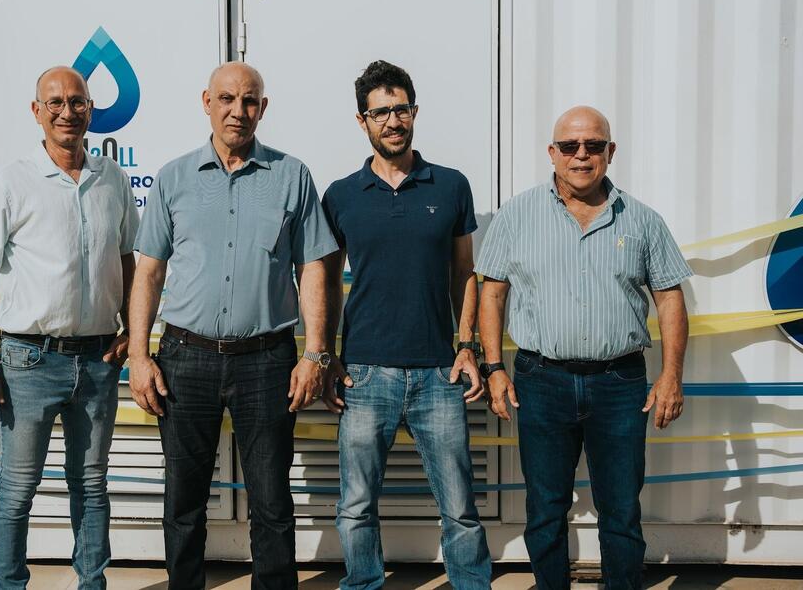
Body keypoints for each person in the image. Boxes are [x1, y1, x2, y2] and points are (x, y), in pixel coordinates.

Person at [126, 61, 339, 589]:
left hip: (267, 361)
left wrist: (314, 353)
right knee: (183, 500)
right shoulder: (174, 178)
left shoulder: (292, 176)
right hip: (184, 358)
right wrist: (138, 354)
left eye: (249, 101)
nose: (237, 111)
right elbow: (148, 271)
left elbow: (313, 268)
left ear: (262, 108)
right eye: (226, 99)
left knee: (271, 499)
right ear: (206, 102)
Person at [476, 106, 691, 589]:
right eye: (570, 146)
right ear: (552, 153)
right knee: (546, 508)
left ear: (610, 153)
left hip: (620, 384)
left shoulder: (642, 220)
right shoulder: (517, 215)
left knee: (620, 509)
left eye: (594, 145)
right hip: (540, 380)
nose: (581, 155)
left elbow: (670, 300)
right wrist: (494, 368)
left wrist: (671, 375)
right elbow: (492, 291)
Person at [0, 66, 140, 590]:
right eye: (56, 102)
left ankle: (92, 584)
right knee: (17, 490)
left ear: (92, 109)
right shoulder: (10, 182)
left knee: (91, 486)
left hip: (98, 359)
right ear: (37, 111)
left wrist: (132, 328)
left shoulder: (112, 178)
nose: (68, 110)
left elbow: (129, 258)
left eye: (79, 101)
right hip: (28, 361)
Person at [320, 60, 492, 589]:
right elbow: (324, 283)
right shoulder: (342, 195)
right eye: (380, 113)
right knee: (355, 504)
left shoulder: (452, 185)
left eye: (401, 110)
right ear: (362, 121)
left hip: (439, 371)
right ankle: (363, 583)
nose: (392, 121)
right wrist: (326, 356)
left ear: (414, 113)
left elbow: (466, 272)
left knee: (460, 507)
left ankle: (470, 584)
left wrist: (468, 346)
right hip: (365, 374)